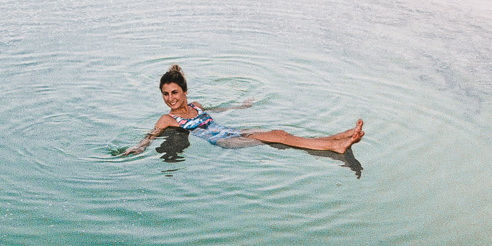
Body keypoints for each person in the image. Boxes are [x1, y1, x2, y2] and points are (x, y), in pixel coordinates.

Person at [121, 65, 363, 156]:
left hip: (230, 130)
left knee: (279, 132)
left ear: (184, 91)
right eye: (165, 94)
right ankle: (335, 145)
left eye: (174, 92)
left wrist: (240, 105)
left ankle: (339, 137)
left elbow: (217, 109)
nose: (170, 99)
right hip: (224, 141)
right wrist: (138, 146)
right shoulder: (168, 118)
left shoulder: (196, 106)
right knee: (279, 137)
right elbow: (150, 135)